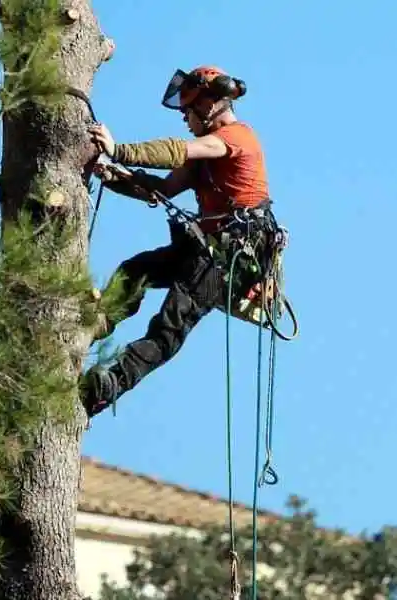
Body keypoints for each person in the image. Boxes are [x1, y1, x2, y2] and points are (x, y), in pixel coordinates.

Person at [81, 65, 279, 418]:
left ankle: (111, 384)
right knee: (136, 270)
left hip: (229, 259)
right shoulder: (206, 157)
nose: (185, 118)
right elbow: (162, 188)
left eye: (188, 110)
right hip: (206, 250)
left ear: (209, 106)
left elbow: (177, 151)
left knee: (169, 326)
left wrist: (119, 150)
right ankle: (97, 322)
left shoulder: (235, 138)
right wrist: (112, 176)